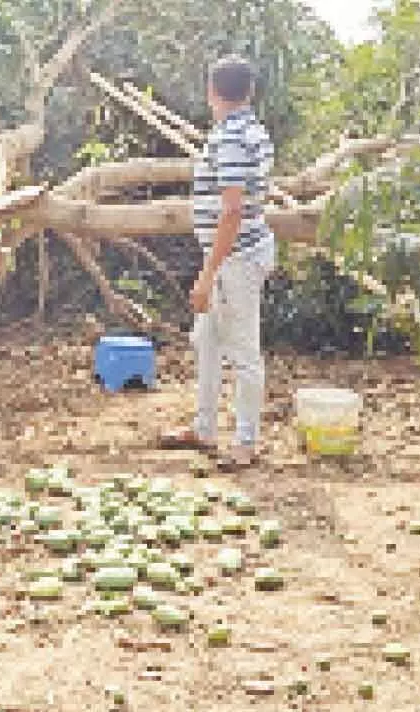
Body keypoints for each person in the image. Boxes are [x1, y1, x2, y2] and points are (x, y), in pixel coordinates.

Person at [159, 56, 276, 470]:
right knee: (205, 341)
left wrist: (208, 274)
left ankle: (246, 441)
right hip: (230, 255)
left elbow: (231, 212)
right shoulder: (252, 131)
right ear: (249, 92)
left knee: (243, 351)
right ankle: (204, 428)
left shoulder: (230, 139)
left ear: (212, 91)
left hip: (235, 260)